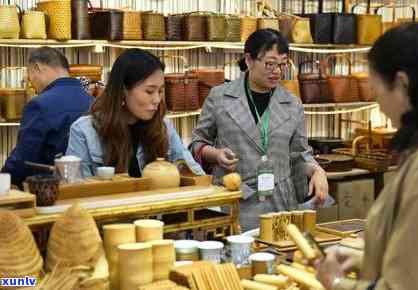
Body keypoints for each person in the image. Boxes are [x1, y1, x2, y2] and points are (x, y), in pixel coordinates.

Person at [316, 23, 418, 290]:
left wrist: (337, 283)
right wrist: (368, 259)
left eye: (376, 91)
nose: (380, 107)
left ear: (401, 83)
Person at [190, 29, 329, 231]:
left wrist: (317, 171)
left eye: (282, 65)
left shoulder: (292, 103)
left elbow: (300, 155)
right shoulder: (220, 97)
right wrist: (216, 154)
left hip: (280, 205)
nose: (277, 72)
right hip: (236, 200)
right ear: (249, 60)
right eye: (270, 64)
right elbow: (196, 144)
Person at [66, 48, 203, 178]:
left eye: (160, 91)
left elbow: (193, 173)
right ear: (123, 90)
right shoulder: (83, 131)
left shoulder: (163, 127)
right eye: (149, 91)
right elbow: (78, 190)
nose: (157, 99)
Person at [1, 46, 93, 188]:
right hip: (89, 187)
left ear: (37, 67)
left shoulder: (39, 104)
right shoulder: (92, 101)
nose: (30, 82)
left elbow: (24, 156)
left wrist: (5, 179)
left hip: (50, 191)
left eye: (29, 75)